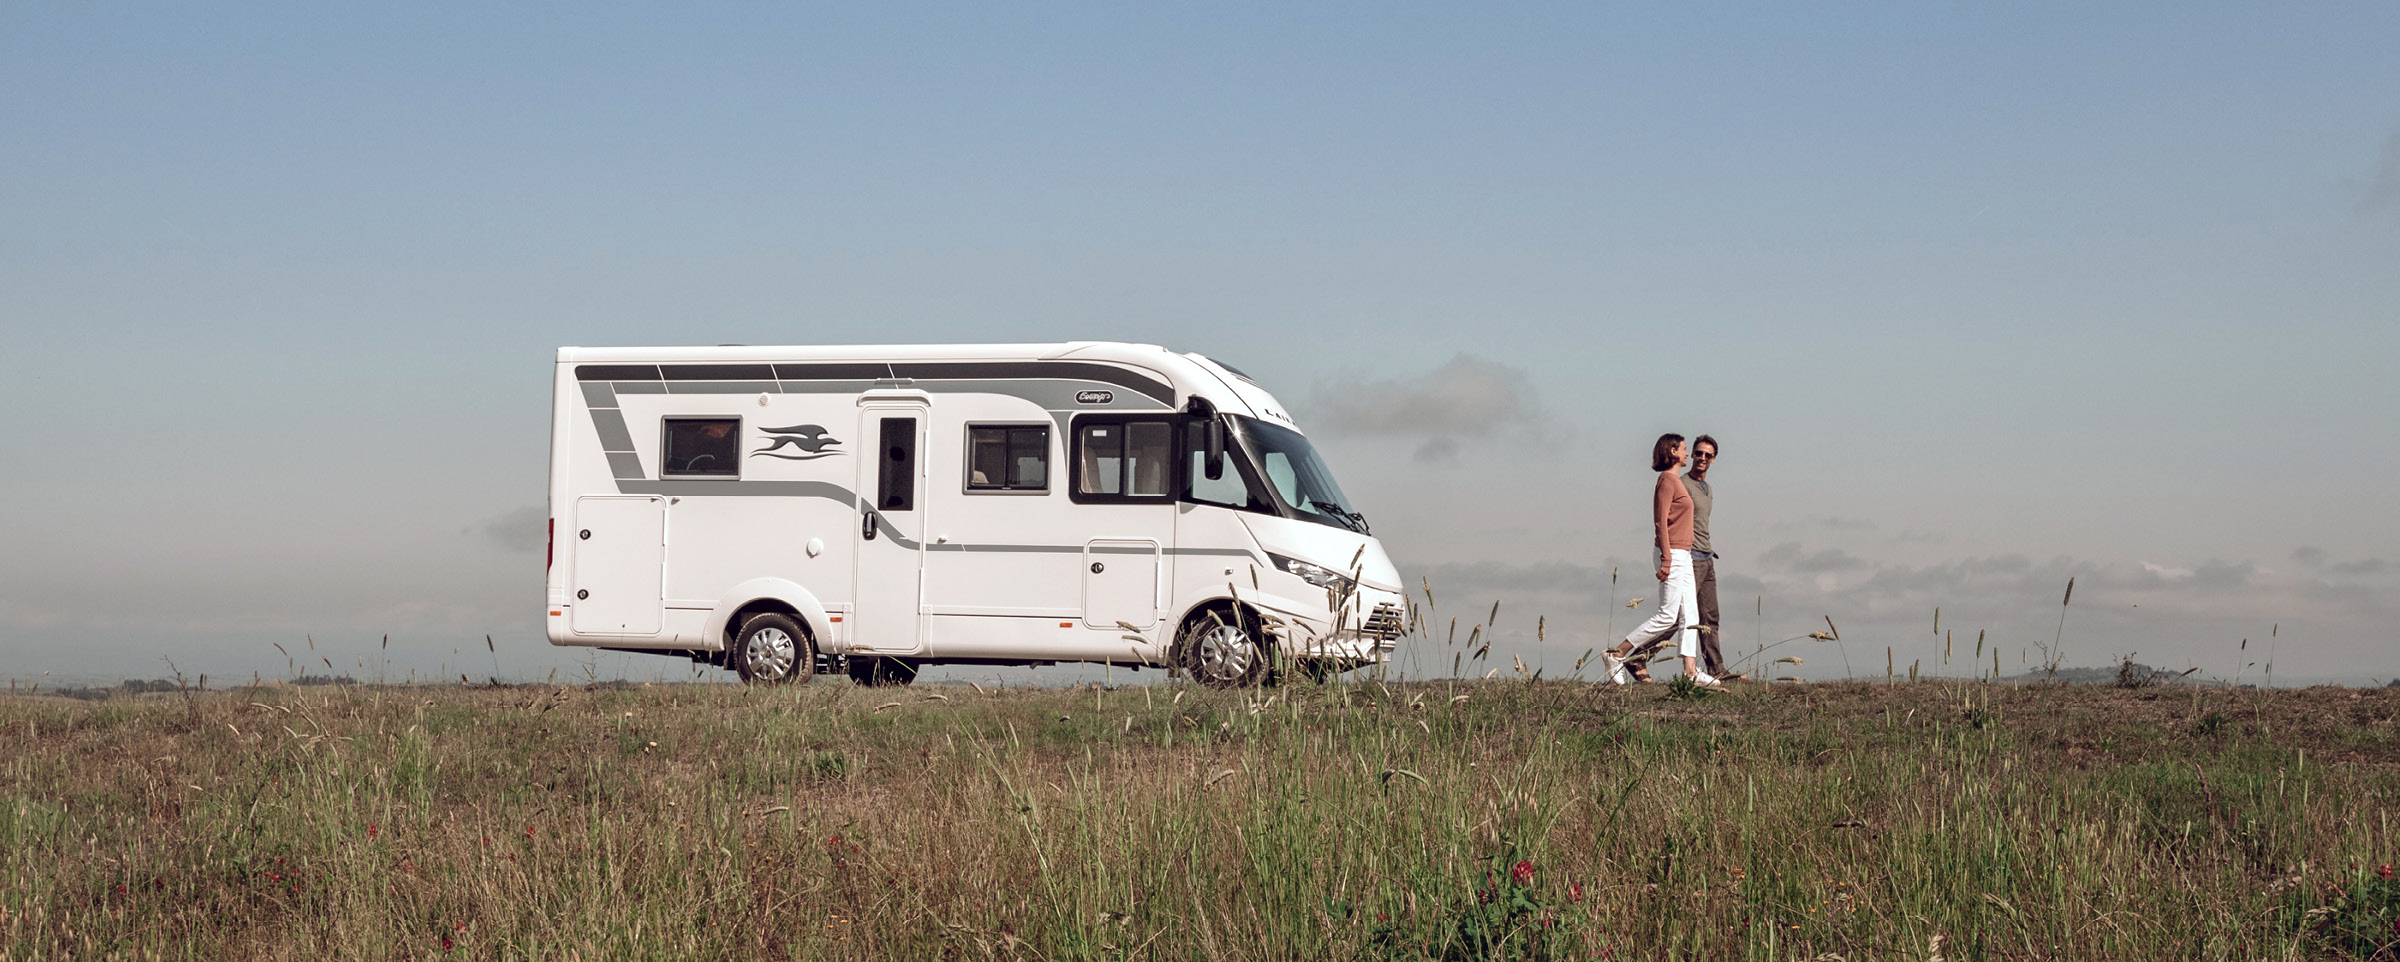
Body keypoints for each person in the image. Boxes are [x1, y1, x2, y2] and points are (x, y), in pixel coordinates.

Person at [1602, 434, 1722, 689]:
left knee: (1691, 614)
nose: (1689, 454)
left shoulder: (1677, 481)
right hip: (1673, 554)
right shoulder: (1667, 481)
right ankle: (1616, 654)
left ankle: (1690, 671)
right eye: (1685, 449)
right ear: (1672, 451)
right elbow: (1660, 522)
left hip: (1685, 554)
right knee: (1667, 616)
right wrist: (1666, 559)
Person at [1685, 435, 1741, 681]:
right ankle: (1641, 657)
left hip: (1707, 557)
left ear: (1714, 459)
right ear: (1691, 455)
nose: (1702, 458)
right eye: (1699, 453)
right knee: (1680, 615)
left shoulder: (1708, 489)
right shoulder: (1682, 484)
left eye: (1708, 455)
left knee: (1710, 617)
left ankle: (1716, 669)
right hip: (1690, 557)